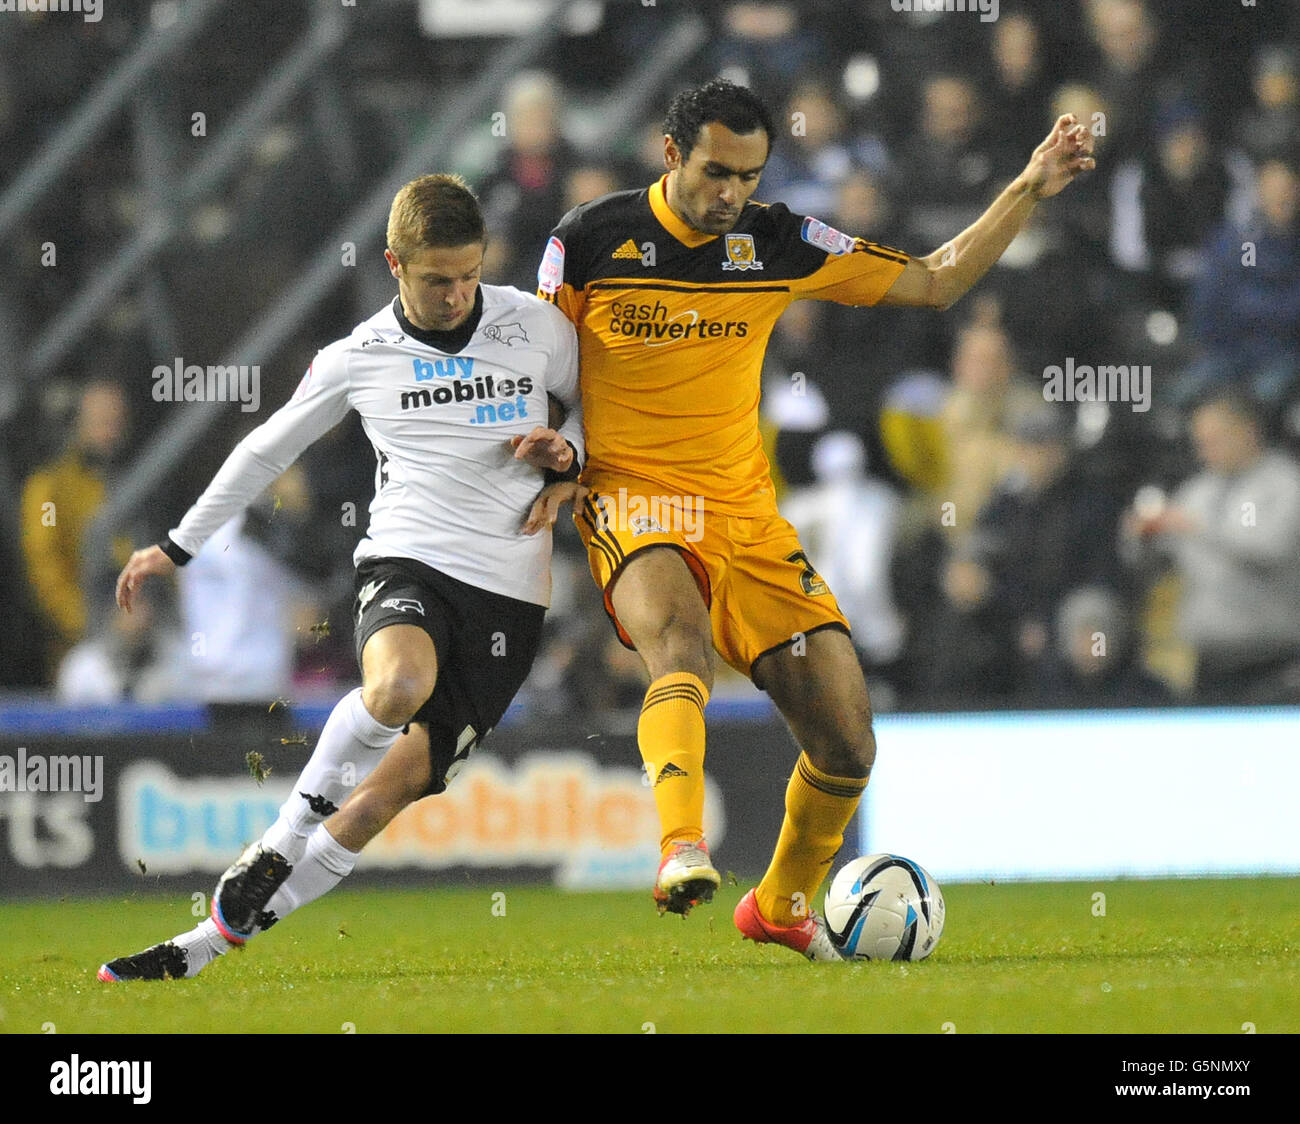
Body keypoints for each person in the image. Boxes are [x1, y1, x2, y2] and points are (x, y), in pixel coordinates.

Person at [537, 78, 1094, 960]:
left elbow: (936, 281)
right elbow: (541, 370)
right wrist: (550, 458)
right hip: (634, 495)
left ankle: (780, 904)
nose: (733, 194)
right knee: (677, 645)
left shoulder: (780, 239)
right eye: (718, 172)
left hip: (746, 514)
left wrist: (1026, 186)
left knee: (846, 738)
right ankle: (682, 844)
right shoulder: (590, 239)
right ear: (673, 153)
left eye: (749, 177)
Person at [98, 174, 585, 981]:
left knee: (372, 804)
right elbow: (266, 449)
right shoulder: (358, 358)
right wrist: (177, 547)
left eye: (470, 274)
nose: (459, 294)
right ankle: (281, 837)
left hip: (510, 594)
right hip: (409, 559)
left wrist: (571, 460)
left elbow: (597, 404)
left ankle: (203, 946)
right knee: (396, 686)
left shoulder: (534, 326)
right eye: (437, 279)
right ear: (394, 263)